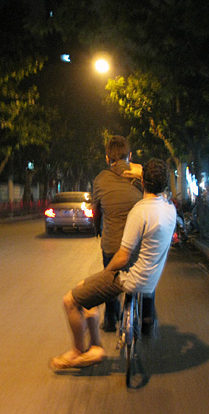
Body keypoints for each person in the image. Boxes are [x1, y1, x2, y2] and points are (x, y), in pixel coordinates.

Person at [50, 158, 177, 371]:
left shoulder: (140, 211)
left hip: (130, 279)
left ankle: (78, 352)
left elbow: (122, 258)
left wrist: (105, 273)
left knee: (70, 300)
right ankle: (95, 348)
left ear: (143, 180)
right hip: (150, 282)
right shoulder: (169, 208)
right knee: (88, 291)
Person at [91, 136, 143, 332]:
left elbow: (96, 211)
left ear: (107, 158)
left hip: (112, 246)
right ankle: (147, 318)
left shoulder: (100, 180)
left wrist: (97, 230)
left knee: (110, 278)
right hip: (138, 247)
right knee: (147, 277)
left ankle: (110, 319)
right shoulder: (141, 178)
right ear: (130, 156)